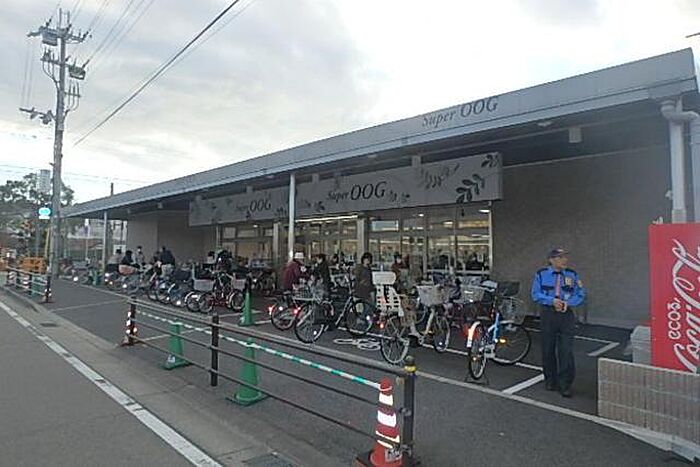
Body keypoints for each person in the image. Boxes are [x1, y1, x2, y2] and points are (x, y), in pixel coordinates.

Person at [531, 248, 586, 398]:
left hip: (565, 314)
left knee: (566, 350)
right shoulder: (541, 274)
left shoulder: (572, 274)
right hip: (548, 314)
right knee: (548, 349)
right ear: (551, 260)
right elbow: (535, 294)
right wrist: (551, 301)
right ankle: (550, 380)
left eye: (565, 257)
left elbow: (580, 294)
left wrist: (569, 303)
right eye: (560, 257)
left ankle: (565, 384)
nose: (564, 260)